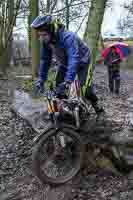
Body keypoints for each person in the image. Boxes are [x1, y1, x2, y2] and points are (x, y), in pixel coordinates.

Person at [31, 15, 104, 121]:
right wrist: (41, 80)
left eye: (44, 35)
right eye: (40, 35)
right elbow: (45, 61)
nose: (42, 38)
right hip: (64, 64)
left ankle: (97, 107)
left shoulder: (68, 37)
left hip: (82, 63)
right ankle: (65, 113)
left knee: (86, 90)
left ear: (52, 30)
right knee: (58, 90)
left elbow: (73, 59)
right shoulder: (46, 42)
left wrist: (68, 82)